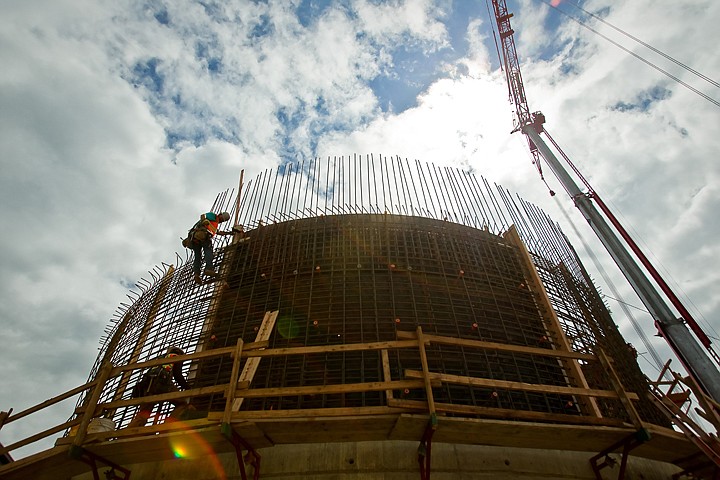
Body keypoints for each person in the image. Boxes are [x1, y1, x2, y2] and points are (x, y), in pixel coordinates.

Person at [128, 347, 190, 428]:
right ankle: (166, 426)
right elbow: (177, 375)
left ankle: (129, 433)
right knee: (182, 403)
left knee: (143, 414)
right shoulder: (175, 357)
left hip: (148, 385)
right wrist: (188, 388)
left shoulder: (160, 358)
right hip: (163, 382)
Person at [186, 211, 233, 284]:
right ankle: (208, 268)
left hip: (195, 237)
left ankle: (197, 274)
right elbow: (203, 216)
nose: (221, 221)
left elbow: (217, 231)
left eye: (222, 221)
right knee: (208, 252)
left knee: (198, 256)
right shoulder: (213, 216)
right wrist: (204, 221)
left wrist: (229, 233)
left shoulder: (214, 224)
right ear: (220, 215)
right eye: (222, 219)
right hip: (202, 235)